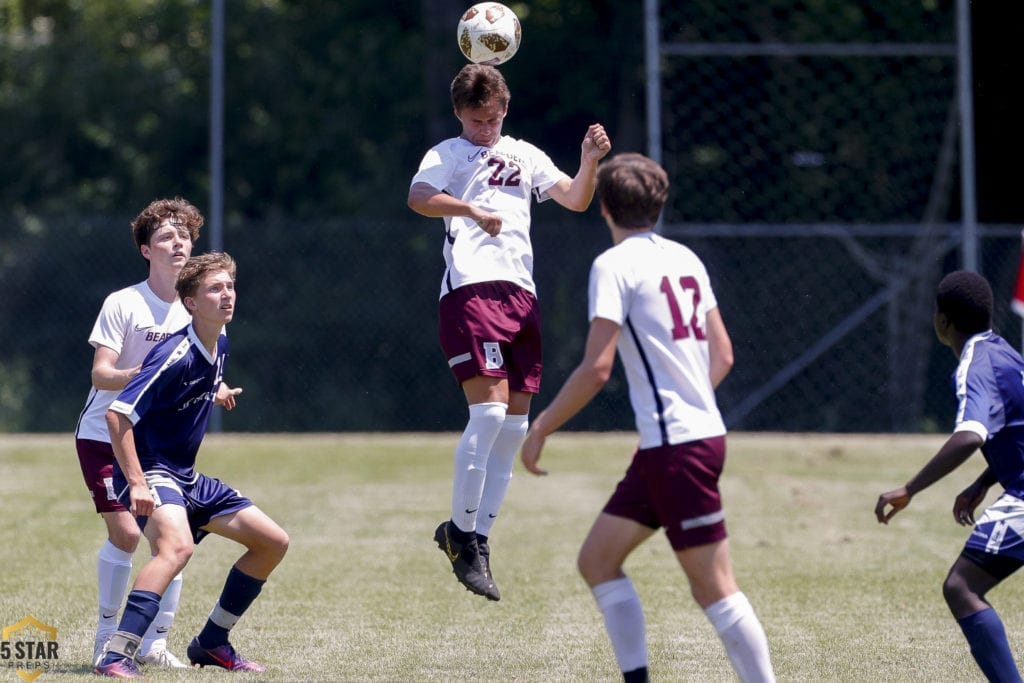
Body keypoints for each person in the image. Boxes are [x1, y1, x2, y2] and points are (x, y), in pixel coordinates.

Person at [520, 153, 775, 682]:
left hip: (678, 448)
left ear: (605, 207)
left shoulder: (613, 266)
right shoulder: (685, 259)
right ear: (657, 205)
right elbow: (722, 355)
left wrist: (541, 426)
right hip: (677, 445)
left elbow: (597, 369)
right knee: (597, 560)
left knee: (714, 586)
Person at [407, 62, 611, 601]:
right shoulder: (448, 155)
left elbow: (575, 198)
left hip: (522, 295)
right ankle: (457, 531)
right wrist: (470, 209)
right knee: (490, 412)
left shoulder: (524, 152)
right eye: (475, 121)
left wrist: (589, 162)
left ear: (505, 110)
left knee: (515, 430)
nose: (484, 130)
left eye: (492, 119)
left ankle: (476, 540)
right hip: (471, 290)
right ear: (458, 114)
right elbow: (419, 198)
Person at [93, 252, 289, 678]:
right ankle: (116, 654)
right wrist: (137, 483)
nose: (226, 296)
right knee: (176, 548)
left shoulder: (219, 342)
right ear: (190, 303)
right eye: (214, 289)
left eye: (230, 287)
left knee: (272, 542)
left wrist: (214, 390)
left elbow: (196, 380)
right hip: (152, 471)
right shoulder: (173, 352)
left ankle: (212, 643)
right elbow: (117, 415)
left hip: (186, 477)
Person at [75, 197, 241, 668]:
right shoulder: (124, 302)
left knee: (172, 539)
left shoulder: (197, 305)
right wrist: (149, 374)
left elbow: (192, 368)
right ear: (146, 250)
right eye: (166, 237)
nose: (178, 243)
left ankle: (155, 644)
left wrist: (216, 386)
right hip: (104, 434)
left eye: (185, 235)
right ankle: (108, 638)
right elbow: (101, 375)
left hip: (155, 444)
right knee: (128, 536)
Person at [876, 270, 1024, 682]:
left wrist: (910, 489)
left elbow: (971, 435)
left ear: (942, 321)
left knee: (961, 587)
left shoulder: (975, 365)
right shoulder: (1005, 351)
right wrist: (982, 483)